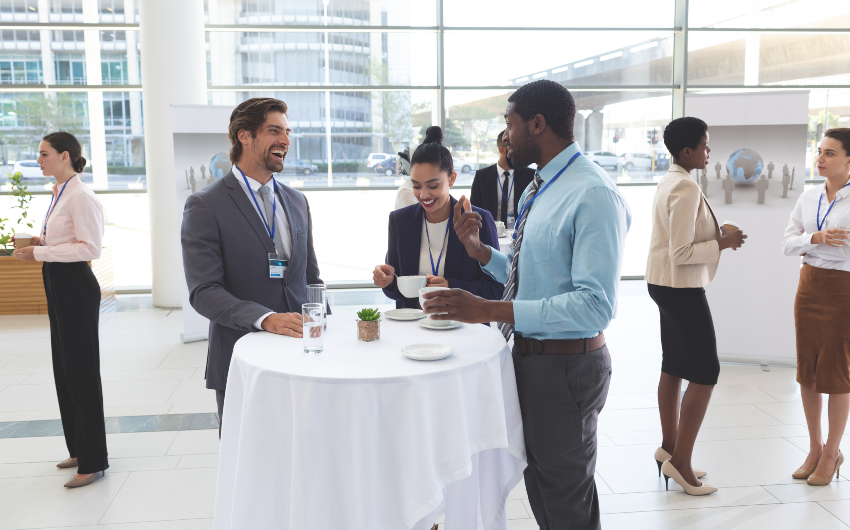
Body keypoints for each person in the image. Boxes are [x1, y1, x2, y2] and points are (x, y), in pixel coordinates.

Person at [424, 80, 631, 530]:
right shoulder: (540, 187)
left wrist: (487, 310)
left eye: (510, 124)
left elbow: (594, 306)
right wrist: (483, 254)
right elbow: (536, 277)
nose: (506, 136)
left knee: (566, 503)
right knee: (547, 492)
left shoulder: (592, 194)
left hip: (566, 369)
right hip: (533, 362)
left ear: (537, 124)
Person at [181, 97, 327, 430]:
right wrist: (266, 319)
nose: (286, 141)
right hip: (242, 357)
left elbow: (310, 277)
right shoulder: (205, 205)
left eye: (288, 132)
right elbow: (203, 290)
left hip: (304, 355)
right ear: (244, 136)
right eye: (274, 131)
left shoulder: (297, 201)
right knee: (249, 466)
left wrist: (326, 335)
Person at [646, 117, 747, 496]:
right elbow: (682, 252)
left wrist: (717, 236)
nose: (709, 152)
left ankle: (669, 448)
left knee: (673, 365)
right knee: (706, 372)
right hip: (681, 287)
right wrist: (724, 243)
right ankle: (681, 462)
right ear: (687, 151)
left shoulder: (671, 180)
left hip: (663, 283)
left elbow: (676, 242)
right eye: (705, 146)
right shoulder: (685, 187)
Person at [13, 132, 108, 488]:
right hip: (57, 282)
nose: (38, 160)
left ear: (64, 156)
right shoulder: (59, 193)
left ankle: (94, 460)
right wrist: (41, 242)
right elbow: (66, 240)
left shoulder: (81, 196)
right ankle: (79, 448)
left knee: (80, 371)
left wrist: (38, 252)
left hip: (75, 287)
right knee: (64, 369)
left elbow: (89, 249)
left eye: (43, 154)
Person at [782, 128, 850, 486]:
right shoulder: (809, 198)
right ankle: (814, 446)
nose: (820, 159)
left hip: (844, 289)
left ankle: (832, 452)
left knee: (838, 373)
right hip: (809, 285)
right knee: (806, 369)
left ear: (849, 160)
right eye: (819, 152)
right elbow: (787, 244)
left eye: (830, 154)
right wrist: (817, 239)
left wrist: (819, 246)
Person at [374, 126, 503, 309]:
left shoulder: (478, 219)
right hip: (414, 327)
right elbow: (396, 289)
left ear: (452, 179)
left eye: (433, 186)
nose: (424, 195)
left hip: (463, 329)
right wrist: (387, 280)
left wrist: (451, 288)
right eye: (416, 186)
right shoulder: (400, 221)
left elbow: (496, 289)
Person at [470, 129, 535, 225]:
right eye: (514, 147)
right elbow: (474, 210)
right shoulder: (482, 177)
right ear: (502, 150)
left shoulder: (529, 176)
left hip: (520, 233)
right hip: (491, 233)